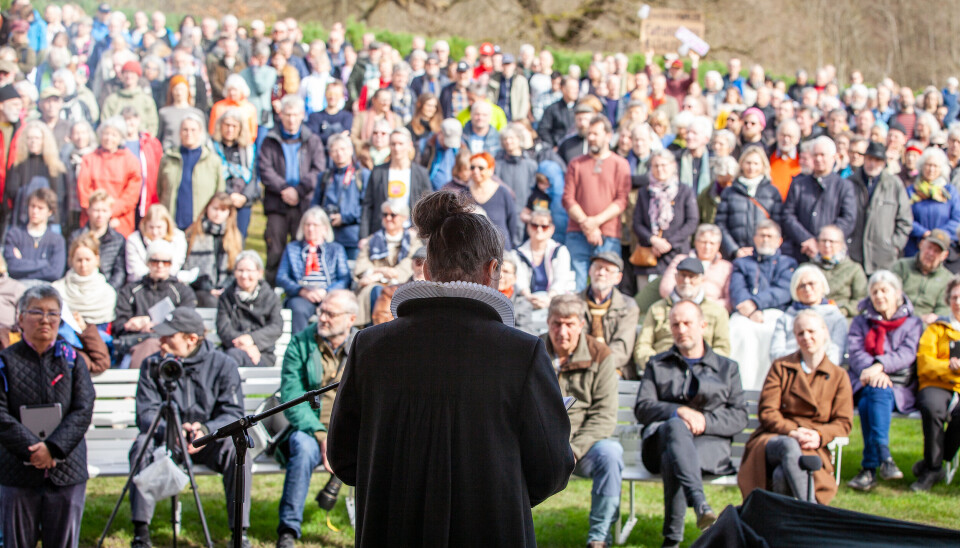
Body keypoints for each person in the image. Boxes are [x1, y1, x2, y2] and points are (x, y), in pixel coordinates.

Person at [327, 191, 575, 546]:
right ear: (492, 270)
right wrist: (499, 495)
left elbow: (343, 457)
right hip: (491, 530)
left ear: (428, 270)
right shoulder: (522, 351)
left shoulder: (370, 346)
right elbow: (551, 467)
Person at [128, 307, 251, 548]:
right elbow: (145, 414)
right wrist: (172, 432)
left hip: (208, 440)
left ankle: (239, 533)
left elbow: (233, 413)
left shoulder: (223, 364)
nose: (160, 341)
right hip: (166, 439)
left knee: (239, 449)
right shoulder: (153, 365)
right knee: (142, 444)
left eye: (168, 336)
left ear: (191, 339)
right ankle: (140, 533)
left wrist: (206, 430)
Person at [635, 300, 747, 548]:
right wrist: (680, 411)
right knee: (675, 426)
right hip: (659, 442)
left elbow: (739, 416)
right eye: (675, 324)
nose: (681, 329)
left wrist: (704, 421)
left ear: (703, 326)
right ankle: (699, 503)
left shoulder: (727, 369)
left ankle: (672, 539)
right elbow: (643, 408)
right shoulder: (658, 364)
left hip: (709, 448)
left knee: (673, 457)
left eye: (687, 323)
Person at [0, 284, 94, 548]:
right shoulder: (5, 361)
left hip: (66, 468)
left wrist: (53, 448)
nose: (45, 320)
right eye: (37, 312)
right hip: (17, 469)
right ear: (20, 319)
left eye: (53, 313)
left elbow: (83, 408)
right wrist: (33, 449)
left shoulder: (73, 359)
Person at [738, 309, 854, 505]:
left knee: (781, 475)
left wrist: (818, 435)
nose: (806, 337)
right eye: (800, 333)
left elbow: (843, 422)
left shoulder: (838, 375)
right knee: (789, 445)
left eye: (811, 331)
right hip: (774, 439)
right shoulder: (781, 366)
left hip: (813, 445)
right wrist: (794, 432)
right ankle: (812, 513)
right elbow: (768, 412)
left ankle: (783, 527)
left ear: (825, 332)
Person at [276, 290, 358, 547]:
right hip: (311, 429)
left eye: (330, 314)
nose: (322, 318)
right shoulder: (301, 343)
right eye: (321, 311)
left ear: (350, 319)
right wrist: (322, 437)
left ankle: (372, 531)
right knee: (301, 446)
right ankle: (288, 530)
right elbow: (292, 398)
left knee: (375, 452)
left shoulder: (364, 344)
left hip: (352, 432)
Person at [540, 294, 622, 547]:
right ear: (547, 322)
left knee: (611, 453)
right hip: (538, 445)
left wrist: (574, 449)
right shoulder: (533, 350)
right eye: (556, 324)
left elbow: (605, 416)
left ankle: (598, 537)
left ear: (581, 325)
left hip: (583, 448)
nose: (561, 332)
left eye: (569, 324)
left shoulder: (600, 355)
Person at [845, 270, 923, 491]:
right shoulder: (861, 322)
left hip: (898, 387)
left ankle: (869, 468)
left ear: (897, 293)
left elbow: (907, 353)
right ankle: (884, 456)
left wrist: (879, 366)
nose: (879, 296)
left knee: (875, 394)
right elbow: (856, 351)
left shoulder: (913, 323)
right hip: (864, 381)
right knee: (875, 391)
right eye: (874, 292)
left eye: (884, 291)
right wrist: (873, 371)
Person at [259, 95, 326, 282]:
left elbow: (318, 169)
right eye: (287, 114)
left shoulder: (312, 140)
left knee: (302, 249)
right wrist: (285, 189)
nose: (291, 119)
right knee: (275, 249)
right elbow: (265, 170)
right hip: (277, 203)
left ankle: (298, 289)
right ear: (281, 115)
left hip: (303, 203)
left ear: (302, 115)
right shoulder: (270, 140)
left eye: (295, 115)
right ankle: (272, 289)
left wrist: (299, 191)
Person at [564, 116, 631, 291]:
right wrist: (587, 224)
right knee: (576, 286)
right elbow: (568, 198)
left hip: (608, 234)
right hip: (577, 234)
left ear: (608, 136)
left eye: (595, 133)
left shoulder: (620, 164)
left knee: (605, 286)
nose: (591, 137)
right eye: (589, 134)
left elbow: (622, 200)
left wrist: (595, 222)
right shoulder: (576, 163)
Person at [728, 221, 797, 391]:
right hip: (745, 313)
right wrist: (750, 309)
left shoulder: (787, 263)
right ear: (754, 238)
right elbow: (737, 288)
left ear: (779, 240)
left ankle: (770, 388)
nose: (765, 240)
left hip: (775, 311)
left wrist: (756, 303)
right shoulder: (742, 263)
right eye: (762, 235)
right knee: (738, 330)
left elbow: (783, 290)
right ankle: (741, 387)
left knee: (773, 333)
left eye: (770, 236)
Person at [636, 257, 731, 371]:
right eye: (683, 275)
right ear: (675, 277)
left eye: (692, 276)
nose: (686, 281)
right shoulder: (657, 308)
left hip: (703, 373)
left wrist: (704, 368)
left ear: (702, 279)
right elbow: (643, 345)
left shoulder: (717, 311)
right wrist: (656, 367)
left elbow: (723, 348)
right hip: (663, 370)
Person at [113, 239, 197, 367]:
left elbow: (188, 322)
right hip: (138, 343)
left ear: (171, 264)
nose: (160, 265)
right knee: (147, 346)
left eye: (166, 262)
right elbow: (118, 325)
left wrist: (156, 327)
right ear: (148, 263)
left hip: (173, 344)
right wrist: (133, 325)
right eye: (155, 261)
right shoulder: (131, 291)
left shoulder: (182, 291)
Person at [913, 277, 960, 491]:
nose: (958, 302)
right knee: (932, 408)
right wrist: (948, 368)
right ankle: (932, 469)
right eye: (954, 297)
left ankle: (936, 461)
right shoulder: (936, 328)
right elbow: (925, 362)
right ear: (948, 300)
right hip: (936, 382)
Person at [781, 136, 857, 262]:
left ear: (833, 158)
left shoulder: (844, 186)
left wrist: (826, 241)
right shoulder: (798, 184)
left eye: (822, 155)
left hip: (832, 254)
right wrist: (806, 239)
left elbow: (848, 219)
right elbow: (788, 215)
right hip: (800, 251)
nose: (818, 159)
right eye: (815, 155)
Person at [632, 149, 699, 291]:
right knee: (645, 299)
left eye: (664, 165)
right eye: (656, 166)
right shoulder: (645, 192)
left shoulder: (684, 191)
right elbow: (637, 223)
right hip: (648, 256)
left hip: (675, 253)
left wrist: (667, 243)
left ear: (673, 165)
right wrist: (653, 240)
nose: (660, 169)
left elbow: (692, 221)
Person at [276, 207, 350, 334]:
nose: (310, 229)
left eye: (315, 225)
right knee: (298, 308)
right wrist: (301, 291)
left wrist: (326, 292)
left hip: (329, 295)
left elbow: (344, 278)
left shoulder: (336, 249)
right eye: (307, 225)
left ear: (325, 228)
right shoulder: (292, 248)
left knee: (337, 310)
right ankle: (300, 348)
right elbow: (281, 277)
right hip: (302, 296)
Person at [847, 141, 913, 275]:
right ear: (864, 159)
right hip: (853, 255)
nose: (872, 164)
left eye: (877, 160)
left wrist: (894, 245)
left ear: (883, 163)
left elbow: (905, 220)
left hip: (883, 257)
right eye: (870, 159)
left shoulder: (894, 184)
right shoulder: (849, 183)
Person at [769, 265, 849, 366]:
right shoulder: (785, 318)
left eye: (812, 284)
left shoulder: (836, 318)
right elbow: (775, 354)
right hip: (789, 371)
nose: (807, 289)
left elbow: (836, 355)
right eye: (801, 285)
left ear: (822, 285)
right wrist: (802, 362)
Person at [76, 116, 142, 237]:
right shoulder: (89, 159)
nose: (108, 138)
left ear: (121, 137)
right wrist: (98, 213)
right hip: (92, 219)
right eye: (106, 134)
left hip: (119, 220)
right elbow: (84, 189)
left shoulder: (130, 161)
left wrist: (110, 213)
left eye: (113, 135)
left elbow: (131, 194)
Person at [577, 252, 640, 379]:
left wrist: (596, 366)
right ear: (590, 270)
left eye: (608, 270)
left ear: (618, 278)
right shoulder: (574, 302)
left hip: (615, 367)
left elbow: (621, 348)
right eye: (598, 267)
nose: (601, 273)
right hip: (579, 365)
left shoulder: (628, 306)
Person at [157, 115, 225, 231]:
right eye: (185, 130)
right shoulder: (168, 158)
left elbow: (219, 193)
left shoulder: (213, 161)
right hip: (172, 223)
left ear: (200, 132)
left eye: (193, 130)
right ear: (179, 133)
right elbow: (160, 189)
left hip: (200, 225)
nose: (189, 133)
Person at [360, 128, 430, 239]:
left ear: (409, 145)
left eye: (400, 144)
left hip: (411, 234)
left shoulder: (421, 173)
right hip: (381, 234)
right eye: (393, 144)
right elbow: (367, 206)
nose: (397, 148)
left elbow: (428, 208)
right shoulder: (378, 172)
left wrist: (418, 230)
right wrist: (363, 237)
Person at [216, 251, 283, 368]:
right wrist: (245, 346)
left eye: (249, 271)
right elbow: (223, 328)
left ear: (259, 273)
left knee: (230, 359)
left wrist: (252, 339)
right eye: (240, 270)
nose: (244, 275)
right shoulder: (226, 296)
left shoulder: (270, 297)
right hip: (231, 349)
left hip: (262, 353)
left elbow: (276, 327)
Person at [714, 147, 783, 260]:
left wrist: (764, 248)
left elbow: (777, 224)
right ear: (741, 164)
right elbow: (721, 224)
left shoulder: (772, 192)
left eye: (756, 163)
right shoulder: (729, 192)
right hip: (737, 253)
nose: (752, 167)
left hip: (765, 253)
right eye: (748, 163)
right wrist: (734, 250)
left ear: (763, 166)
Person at [311, 134, 368, 261]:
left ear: (350, 150)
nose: (339, 154)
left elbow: (367, 207)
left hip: (352, 237)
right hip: (328, 236)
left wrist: (344, 217)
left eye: (343, 149)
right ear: (330, 153)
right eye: (335, 150)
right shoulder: (324, 177)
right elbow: (315, 204)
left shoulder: (362, 175)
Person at [182, 193, 243, 307]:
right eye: (215, 209)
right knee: (210, 301)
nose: (218, 214)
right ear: (207, 208)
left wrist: (223, 288)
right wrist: (208, 288)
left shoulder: (235, 237)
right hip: (198, 287)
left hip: (226, 288)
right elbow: (187, 268)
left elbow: (236, 269)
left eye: (223, 210)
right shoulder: (193, 233)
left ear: (229, 213)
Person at [4, 120, 67, 230]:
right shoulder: (17, 166)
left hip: (50, 224)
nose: (33, 141)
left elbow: (59, 198)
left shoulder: (54, 167)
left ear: (44, 140)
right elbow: (11, 193)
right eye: (30, 138)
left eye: (37, 138)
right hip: (21, 222)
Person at [53, 232, 116, 337]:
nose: (83, 265)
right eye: (79, 260)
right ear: (71, 260)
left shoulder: (108, 293)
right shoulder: (57, 290)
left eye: (87, 260)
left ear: (97, 259)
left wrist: (85, 330)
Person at [658, 224, 732, 311]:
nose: (707, 247)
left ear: (718, 245)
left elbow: (730, 300)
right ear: (696, 242)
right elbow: (665, 288)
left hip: (711, 311)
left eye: (712, 243)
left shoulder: (727, 267)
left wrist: (705, 305)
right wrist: (686, 303)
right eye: (703, 242)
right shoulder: (681, 260)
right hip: (678, 307)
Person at [513, 211, 575, 313]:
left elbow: (561, 280)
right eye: (534, 225)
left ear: (551, 229)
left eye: (544, 226)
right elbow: (519, 281)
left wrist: (549, 298)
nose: (539, 229)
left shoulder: (560, 251)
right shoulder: (517, 253)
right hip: (525, 301)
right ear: (528, 227)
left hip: (555, 300)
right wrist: (529, 297)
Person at [212, 108, 258, 239]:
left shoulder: (248, 149)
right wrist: (229, 195)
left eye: (234, 126)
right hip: (220, 200)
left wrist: (245, 197)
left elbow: (253, 176)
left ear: (240, 128)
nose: (230, 129)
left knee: (238, 239)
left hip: (243, 202)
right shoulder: (212, 147)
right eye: (227, 125)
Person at [905, 148, 960, 257]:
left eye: (935, 166)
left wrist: (937, 236)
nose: (931, 169)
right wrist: (924, 233)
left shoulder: (949, 192)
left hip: (944, 247)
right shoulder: (911, 191)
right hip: (916, 246)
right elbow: (905, 217)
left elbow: (957, 219)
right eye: (928, 165)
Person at [4, 188, 66, 283]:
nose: (35, 211)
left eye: (40, 208)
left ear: (50, 212)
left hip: (45, 289)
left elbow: (55, 273)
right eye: (32, 206)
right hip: (18, 286)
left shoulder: (57, 240)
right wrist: (44, 263)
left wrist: (23, 265)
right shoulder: (15, 235)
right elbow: (12, 267)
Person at [892, 229, 952, 325]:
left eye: (936, 251)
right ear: (921, 244)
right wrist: (915, 318)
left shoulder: (948, 280)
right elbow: (891, 296)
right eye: (929, 247)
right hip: (897, 320)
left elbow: (943, 310)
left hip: (927, 329)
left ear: (944, 256)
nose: (931, 253)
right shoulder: (901, 266)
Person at [810, 225, 868, 318]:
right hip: (813, 316)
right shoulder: (809, 268)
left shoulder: (854, 269)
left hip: (844, 317)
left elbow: (861, 299)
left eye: (831, 241)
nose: (827, 245)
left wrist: (844, 310)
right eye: (823, 241)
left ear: (841, 244)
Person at [125, 204, 188, 283]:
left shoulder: (178, 238)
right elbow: (135, 271)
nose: (155, 232)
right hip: (142, 284)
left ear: (167, 225)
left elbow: (175, 266)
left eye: (159, 227)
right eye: (151, 227)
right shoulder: (134, 240)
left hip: (169, 282)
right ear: (145, 225)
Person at [100, 60, 159, 136]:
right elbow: (105, 122)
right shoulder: (112, 100)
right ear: (122, 75)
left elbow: (152, 124)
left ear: (138, 76)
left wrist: (147, 140)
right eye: (126, 73)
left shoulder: (146, 100)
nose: (129, 76)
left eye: (132, 73)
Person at [157, 74, 206, 151]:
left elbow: (203, 138)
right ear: (171, 91)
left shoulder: (197, 114)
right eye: (176, 89)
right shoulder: (164, 113)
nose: (179, 93)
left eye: (182, 89)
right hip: (170, 153)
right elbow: (159, 137)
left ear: (187, 90)